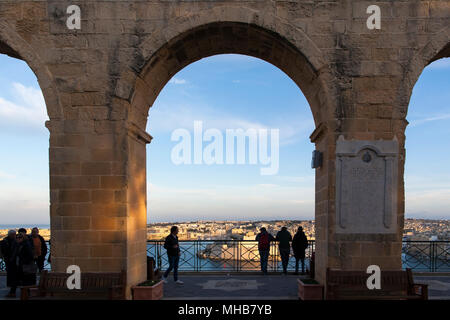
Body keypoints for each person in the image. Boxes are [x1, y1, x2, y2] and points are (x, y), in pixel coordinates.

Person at [0, 230, 18, 297]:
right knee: (12, 277)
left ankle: (12, 291)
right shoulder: (6, 241)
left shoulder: (10, 241)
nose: (14, 236)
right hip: (10, 261)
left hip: (12, 261)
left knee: (13, 277)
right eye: (13, 234)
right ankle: (12, 291)